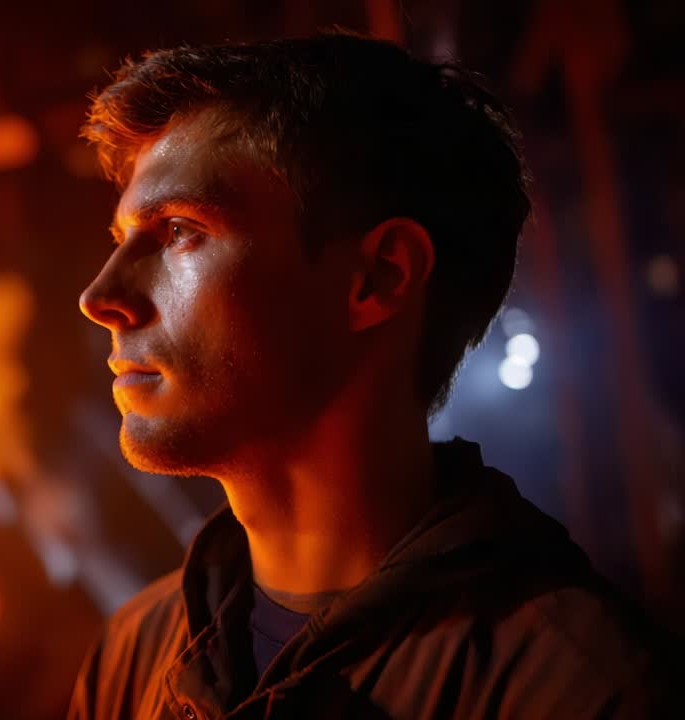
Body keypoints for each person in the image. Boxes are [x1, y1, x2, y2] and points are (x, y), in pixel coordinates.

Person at [70, 32, 674, 719]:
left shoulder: (579, 692)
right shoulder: (134, 654)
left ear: (377, 277)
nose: (100, 297)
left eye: (179, 229)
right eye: (122, 241)